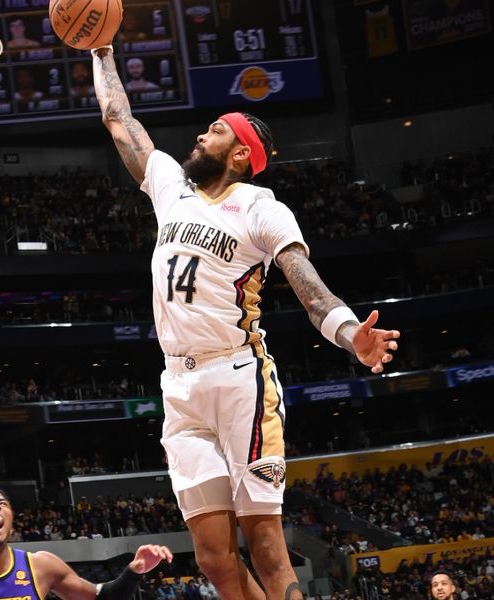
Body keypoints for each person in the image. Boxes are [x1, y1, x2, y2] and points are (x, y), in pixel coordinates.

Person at [91, 45, 400, 600]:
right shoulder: (169, 185)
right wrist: (101, 50)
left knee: (266, 549)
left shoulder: (260, 206)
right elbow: (119, 120)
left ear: (238, 154)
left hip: (240, 380)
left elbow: (307, 284)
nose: (199, 138)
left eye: (213, 131)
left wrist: (351, 334)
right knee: (213, 559)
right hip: (178, 386)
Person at [0, 486, 172, 600]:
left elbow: (103, 597)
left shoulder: (42, 566)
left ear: (10, 522)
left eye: (2, 504)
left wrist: (133, 571)